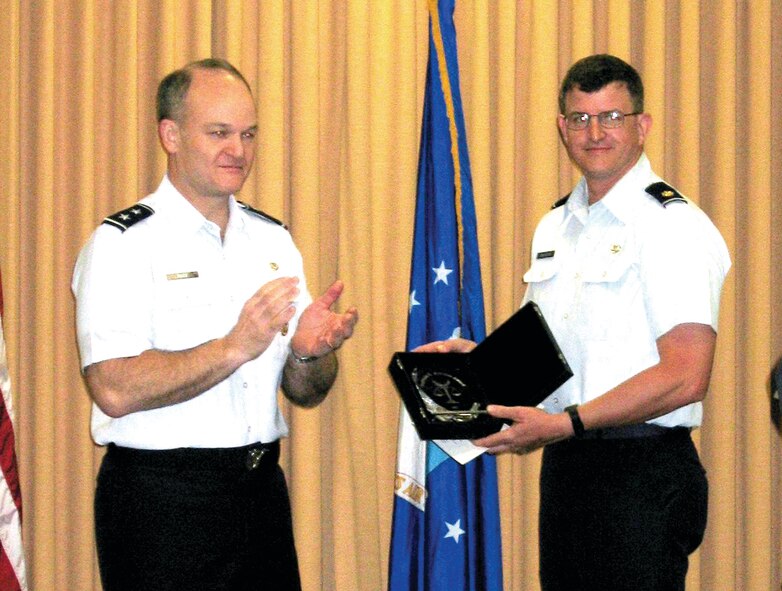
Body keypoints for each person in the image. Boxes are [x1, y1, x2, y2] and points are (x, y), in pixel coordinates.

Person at [416, 54, 730, 590]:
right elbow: (550, 355)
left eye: (611, 117)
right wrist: (477, 364)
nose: (595, 132)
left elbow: (686, 375)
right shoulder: (555, 225)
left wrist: (569, 423)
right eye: (580, 118)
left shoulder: (670, 226)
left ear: (642, 126)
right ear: (562, 127)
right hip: (569, 467)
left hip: (642, 470)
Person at [71, 58, 358, 591]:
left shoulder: (273, 241)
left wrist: (309, 354)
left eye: (248, 134)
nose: (239, 151)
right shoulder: (122, 244)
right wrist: (233, 347)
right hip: (162, 505)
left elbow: (306, 392)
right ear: (171, 135)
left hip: (259, 495)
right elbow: (112, 387)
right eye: (220, 133)